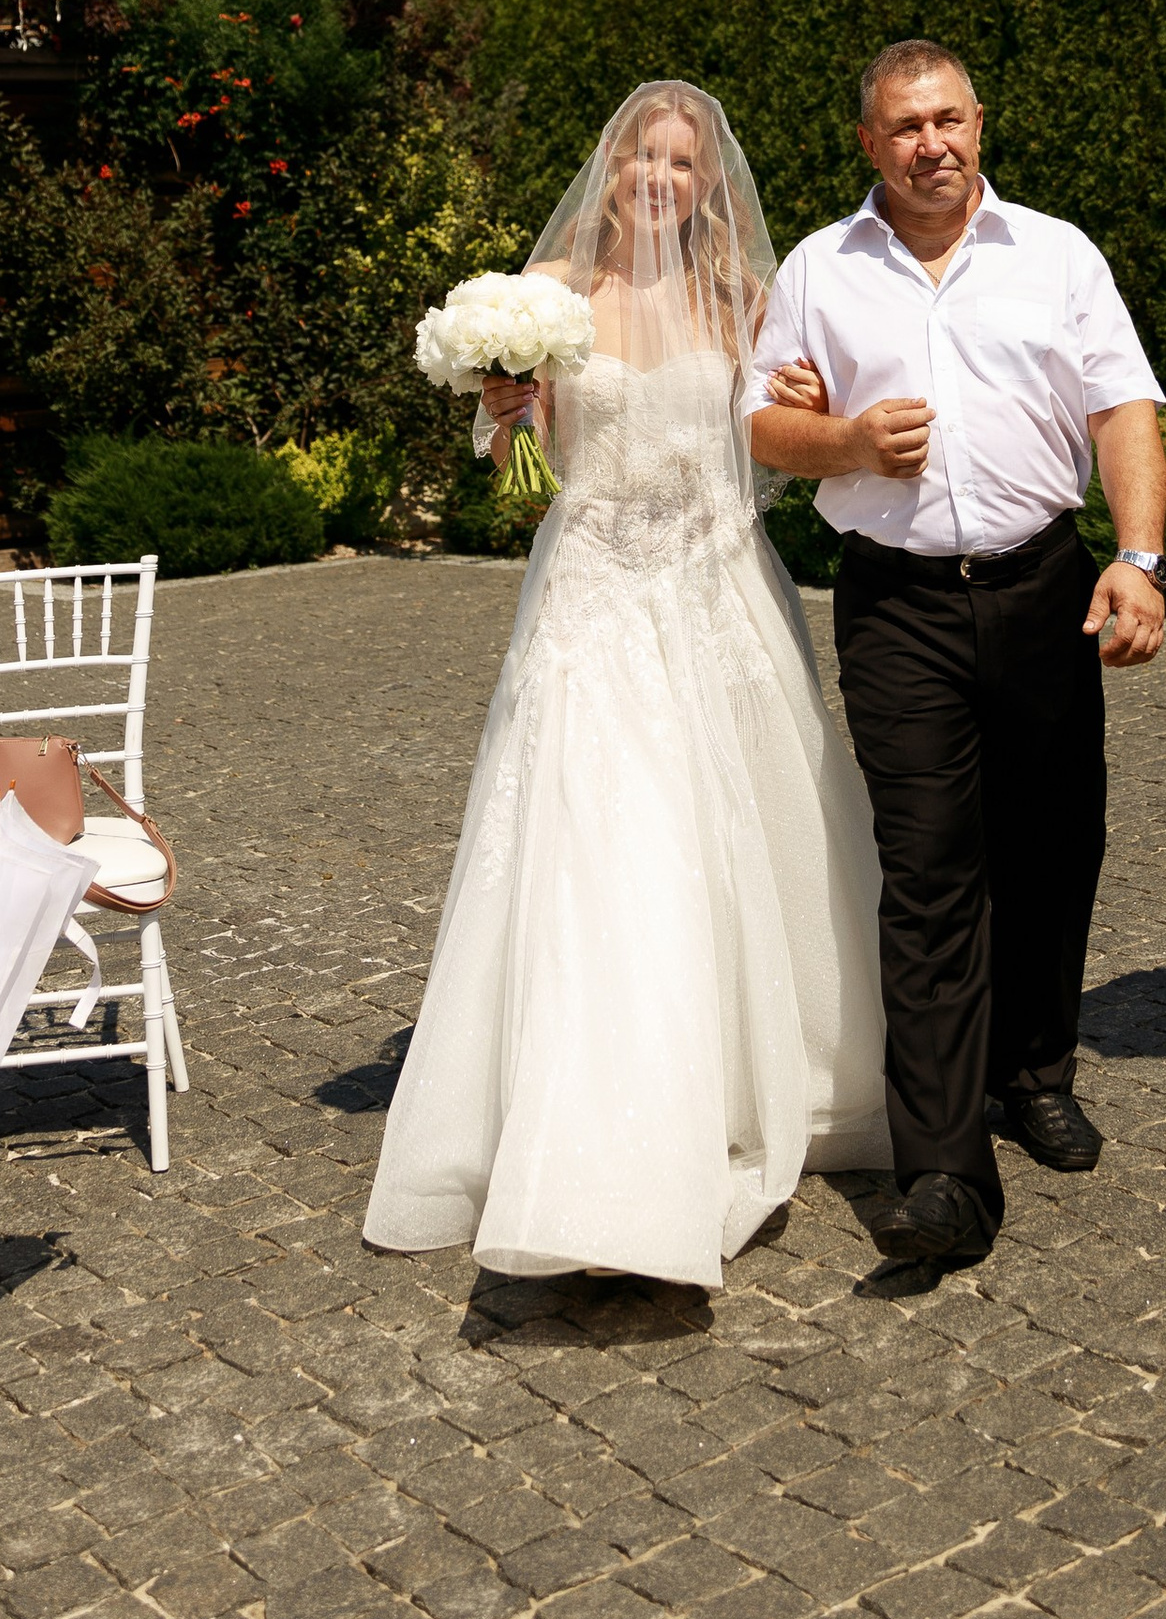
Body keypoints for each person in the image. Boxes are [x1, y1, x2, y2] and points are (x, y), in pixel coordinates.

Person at [365, 82, 888, 1289]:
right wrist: (506, 412)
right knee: (604, 838)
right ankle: (601, 1119)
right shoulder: (547, 294)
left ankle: (768, 1081)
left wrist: (817, 411)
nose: (659, 179)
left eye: (682, 163)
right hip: (593, 592)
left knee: (746, 826)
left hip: (716, 589)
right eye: (642, 158)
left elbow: (780, 424)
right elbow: (516, 461)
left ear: (708, 182)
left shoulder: (739, 297)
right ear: (610, 169)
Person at [747, 40, 1166, 1275]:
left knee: (1052, 842)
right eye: (903, 126)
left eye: (947, 119)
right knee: (927, 867)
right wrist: (846, 442)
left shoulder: (1058, 253)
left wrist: (1139, 559)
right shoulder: (819, 269)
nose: (929, 143)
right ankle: (940, 1170)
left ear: (979, 123)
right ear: (868, 144)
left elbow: (1122, 409)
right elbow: (761, 424)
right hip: (897, 606)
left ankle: (1033, 1074)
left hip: (1044, 588)